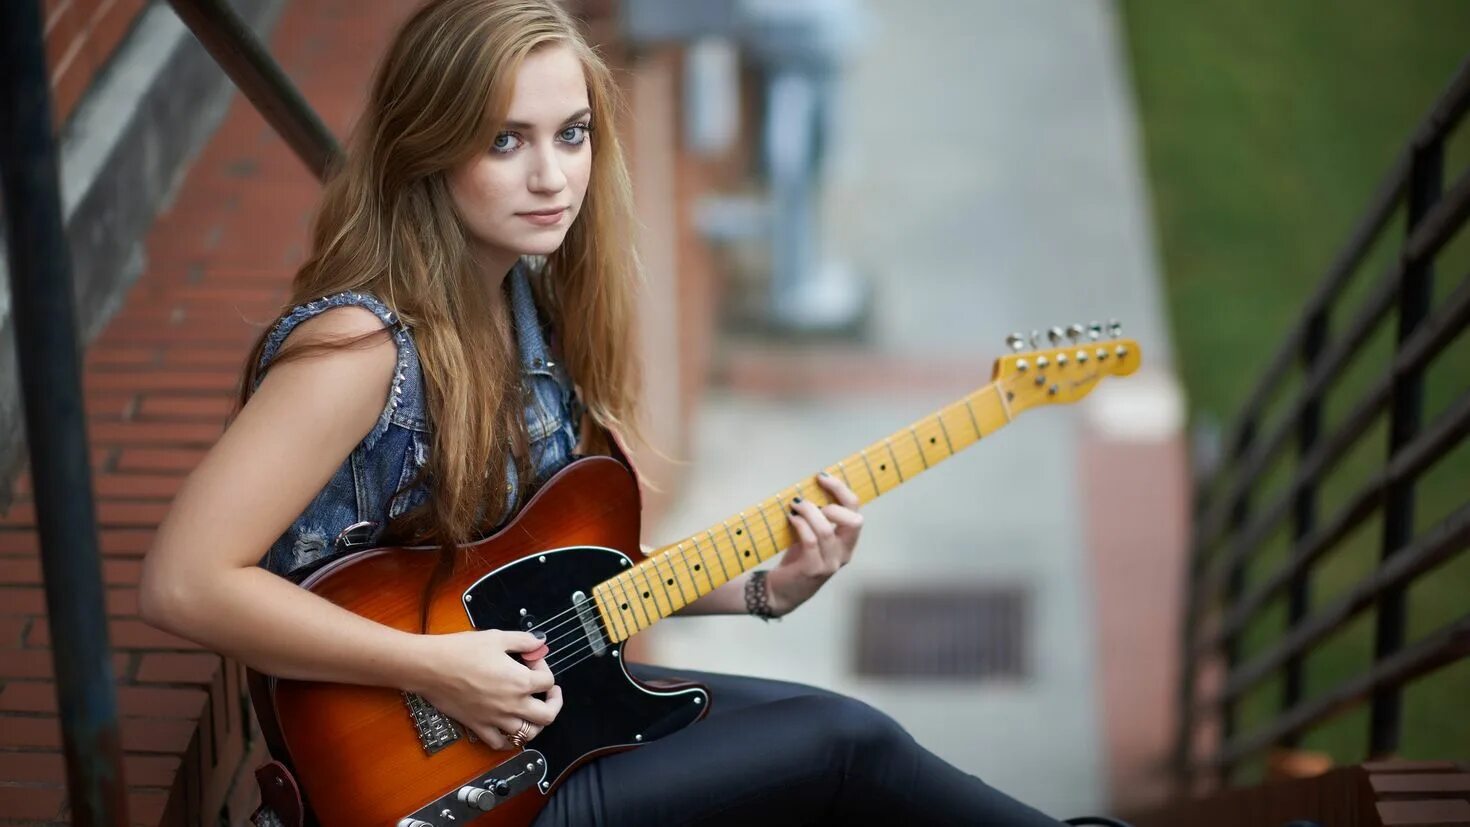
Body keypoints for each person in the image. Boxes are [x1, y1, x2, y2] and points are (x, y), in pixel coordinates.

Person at [139, 1, 1066, 824]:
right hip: (430, 785)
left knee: (845, 738)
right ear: (427, 145)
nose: (553, 176)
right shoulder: (359, 351)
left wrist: (760, 588)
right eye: (507, 140)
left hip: (543, 720)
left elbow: (563, 584)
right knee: (847, 745)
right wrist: (437, 669)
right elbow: (183, 581)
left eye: (572, 133)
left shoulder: (528, 306)